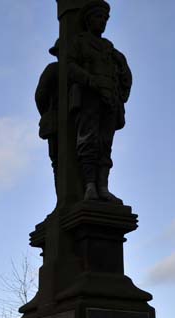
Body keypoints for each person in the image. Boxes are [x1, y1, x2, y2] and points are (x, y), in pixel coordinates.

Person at [68, 0, 132, 203]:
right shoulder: (79, 42)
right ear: (88, 20)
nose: (102, 22)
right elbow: (69, 66)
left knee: (105, 145)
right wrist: (91, 81)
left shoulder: (111, 50)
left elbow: (126, 75)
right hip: (89, 99)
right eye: (98, 17)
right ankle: (89, 186)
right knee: (88, 142)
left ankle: (103, 187)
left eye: (105, 18)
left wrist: (119, 95)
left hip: (109, 101)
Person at [35, 40, 60, 189]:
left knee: (57, 163)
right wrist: (49, 112)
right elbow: (40, 95)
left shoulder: (53, 69)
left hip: (55, 120)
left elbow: (40, 95)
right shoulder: (53, 70)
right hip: (55, 121)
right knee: (57, 162)